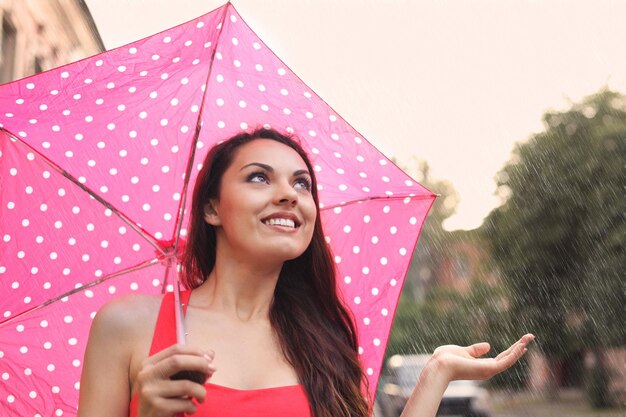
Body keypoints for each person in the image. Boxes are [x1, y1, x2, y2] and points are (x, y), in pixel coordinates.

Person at [77, 127, 534, 417]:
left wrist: (435, 373)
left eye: (302, 183)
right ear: (212, 207)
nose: (289, 194)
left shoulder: (321, 341)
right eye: (259, 177)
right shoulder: (127, 327)